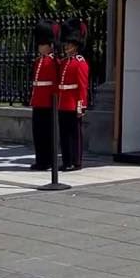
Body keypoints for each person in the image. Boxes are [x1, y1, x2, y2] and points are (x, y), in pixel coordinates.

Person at [56, 20, 89, 172]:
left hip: (73, 103)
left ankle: (76, 162)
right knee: (64, 135)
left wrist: (81, 106)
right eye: (66, 43)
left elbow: (82, 86)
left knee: (75, 135)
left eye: (69, 43)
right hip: (63, 103)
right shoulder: (64, 62)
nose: (66, 46)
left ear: (76, 45)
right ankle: (66, 160)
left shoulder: (80, 63)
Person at [29, 21, 59, 171]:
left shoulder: (54, 61)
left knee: (48, 134)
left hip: (48, 102)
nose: (40, 47)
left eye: (43, 44)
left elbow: (54, 84)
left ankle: (48, 160)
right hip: (38, 101)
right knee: (38, 134)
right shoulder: (38, 61)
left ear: (49, 44)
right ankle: (40, 160)